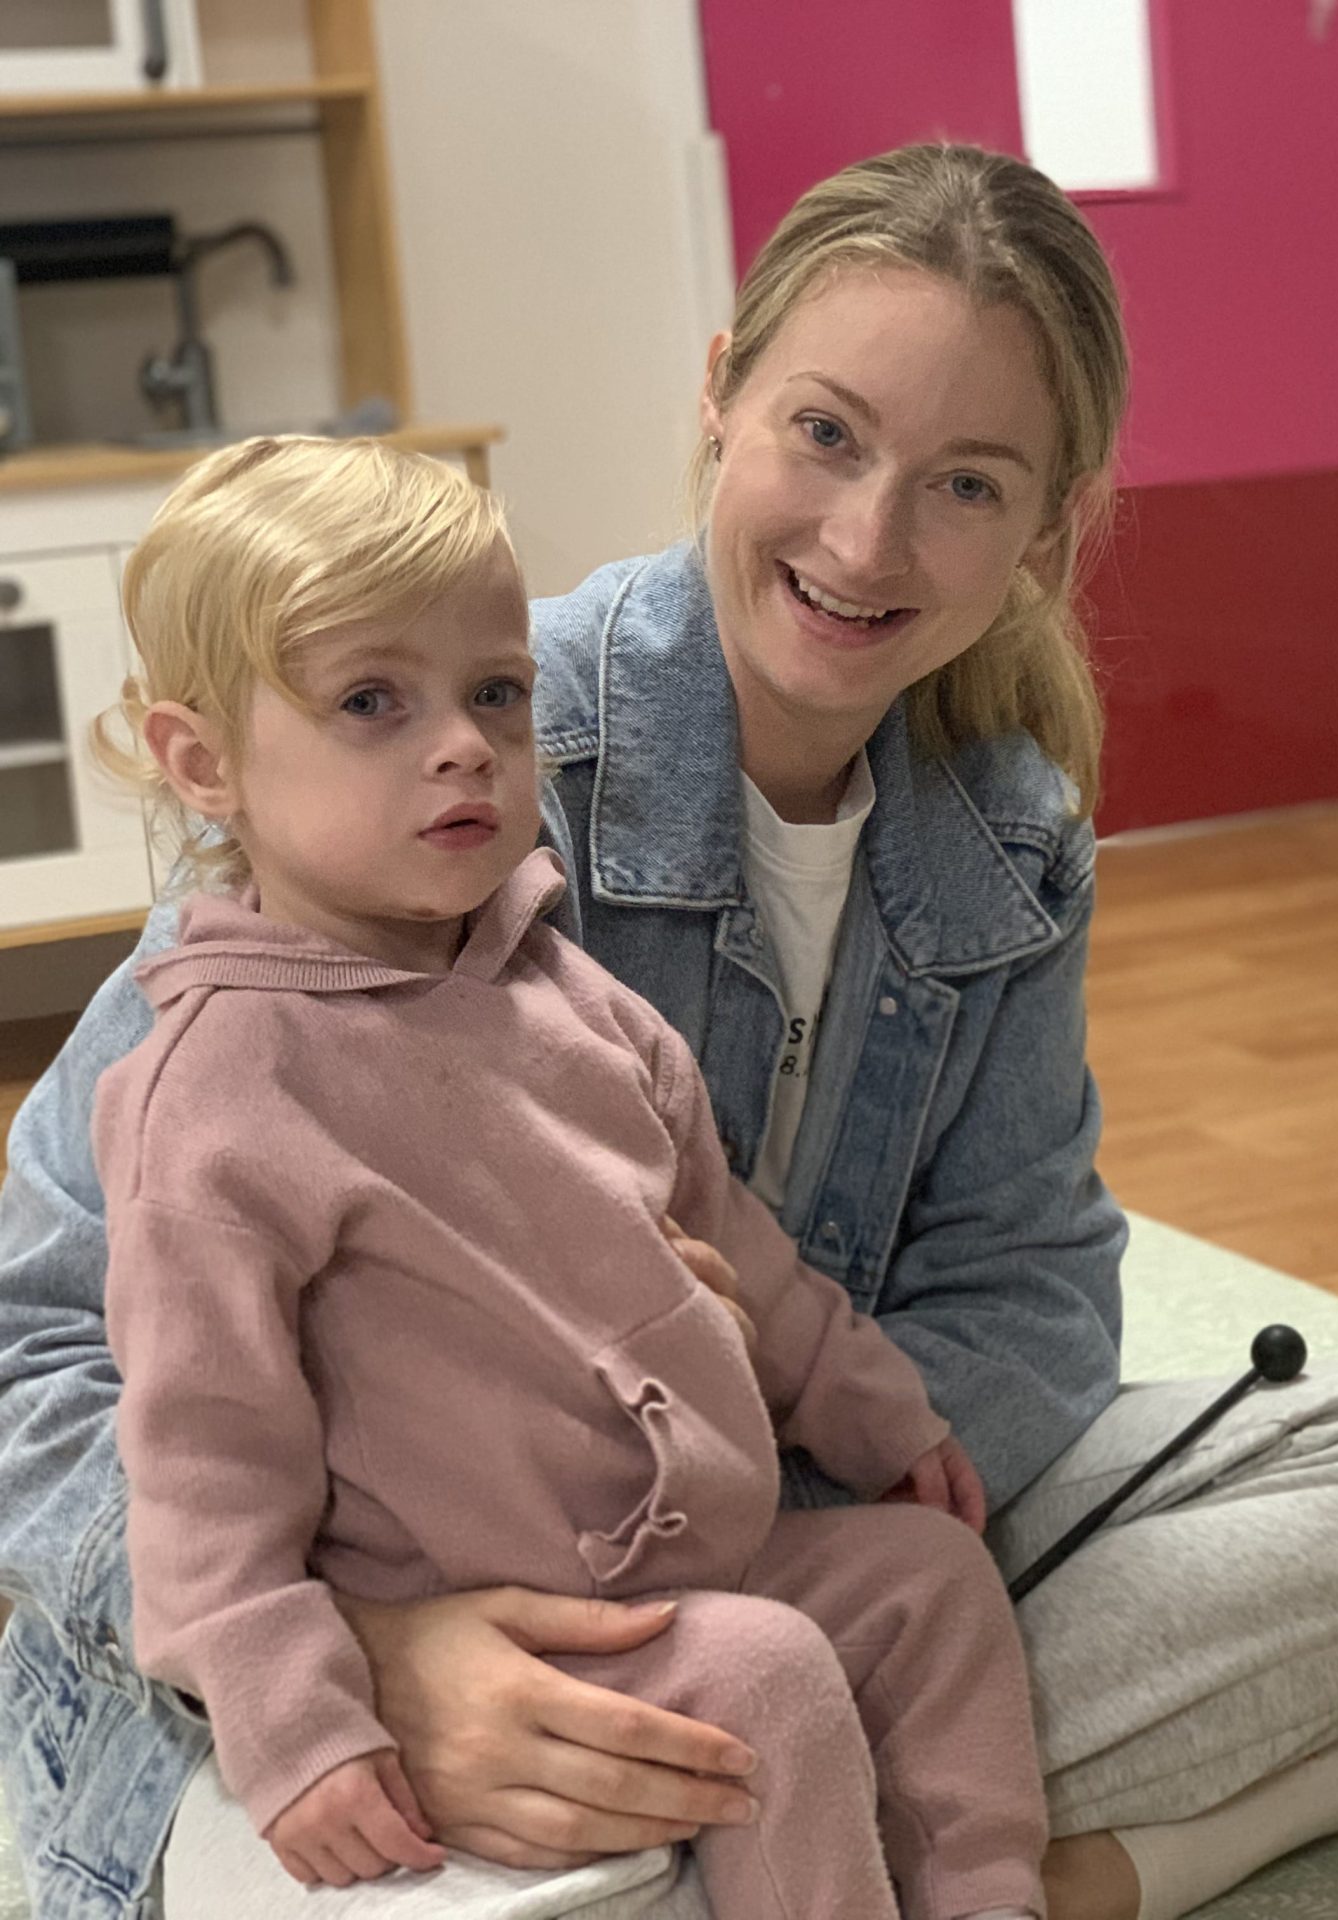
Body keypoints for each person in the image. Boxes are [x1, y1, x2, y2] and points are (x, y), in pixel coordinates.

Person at [0, 143, 1338, 1920]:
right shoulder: (441, 759)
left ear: (1049, 526)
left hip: (750, 1547)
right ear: (721, 394)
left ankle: (847, 1816)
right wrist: (371, 1653)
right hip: (370, 1614)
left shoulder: (1003, 829)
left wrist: (751, 1489)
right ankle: (1130, 1840)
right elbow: (37, 1360)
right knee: (652, 1795)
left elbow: (1029, 1291)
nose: (869, 541)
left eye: (966, 483)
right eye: (825, 433)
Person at [82, 433, 1046, 1920]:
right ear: (203, 764)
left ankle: (993, 1899)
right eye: (371, 704)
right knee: (773, 1683)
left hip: (691, 1556)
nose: (463, 743)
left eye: (496, 693)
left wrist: (873, 1404)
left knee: (934, 1580)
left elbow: (737, 1244)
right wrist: (296, 1722)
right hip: (484, 1632)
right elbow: (201, 1462)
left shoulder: (566, 992)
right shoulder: (215, 1093)